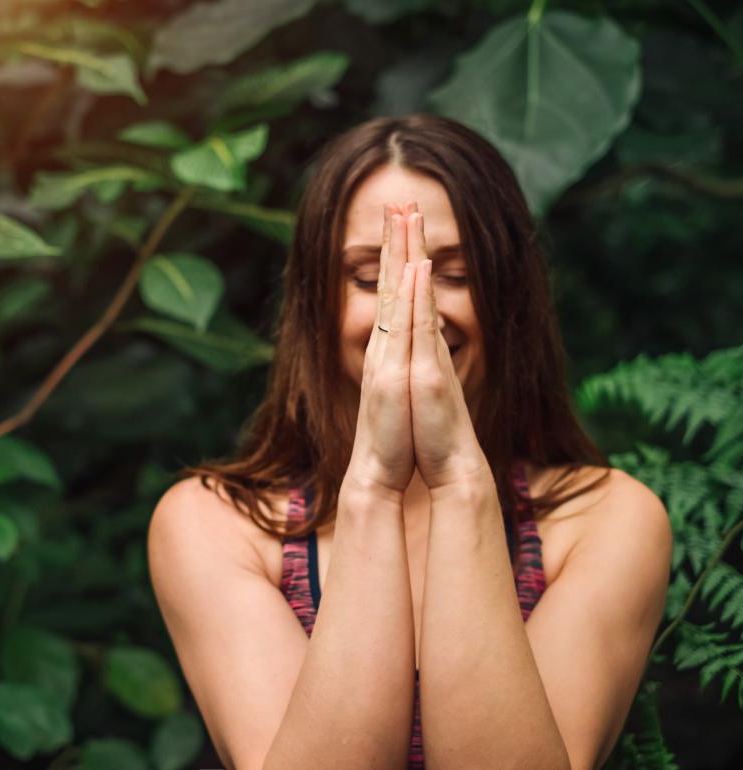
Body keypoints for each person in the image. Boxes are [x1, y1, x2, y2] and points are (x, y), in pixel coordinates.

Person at [146, 113, 673, 770]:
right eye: (372, 277)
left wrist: (457, 479)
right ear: (317, 299)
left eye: (453, 273)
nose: (412, 306)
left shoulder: (605, 520)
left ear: (508, 296)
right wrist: (373, 483)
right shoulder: (215, 524)